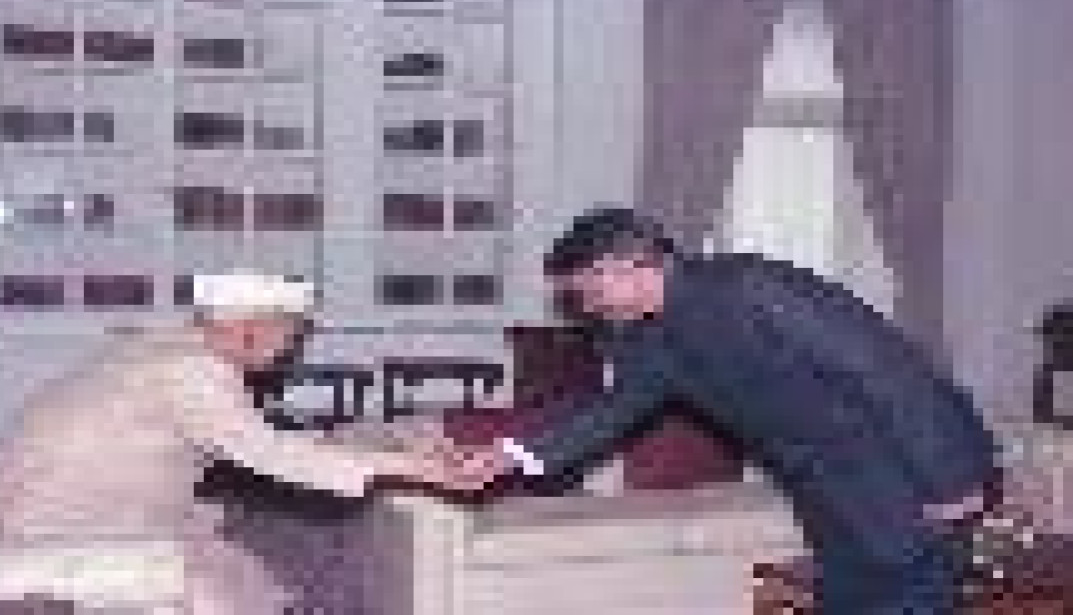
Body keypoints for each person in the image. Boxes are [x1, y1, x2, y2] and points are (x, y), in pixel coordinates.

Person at [419, 208, 1004, 615]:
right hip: (825, 495)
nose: (584, 308)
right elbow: (609, 412)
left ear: (623, 267)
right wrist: (507, 456)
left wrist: (953, 480)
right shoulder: (646, 340)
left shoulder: (752, 288)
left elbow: (891, 371)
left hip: (906, 478)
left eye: (585, 293)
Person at [0, 272, 451, 615]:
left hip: (48, 514)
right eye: (291, 334)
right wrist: (418, 468)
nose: (291, 349)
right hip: (69, 532)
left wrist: (383, 444)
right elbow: (268, 452)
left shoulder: (170, 347)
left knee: (256, 546)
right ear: (253, 328)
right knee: (274, 551)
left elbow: (261, 438)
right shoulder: (193, 370)